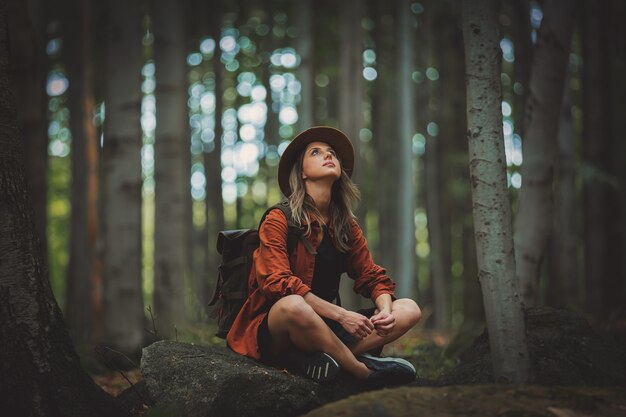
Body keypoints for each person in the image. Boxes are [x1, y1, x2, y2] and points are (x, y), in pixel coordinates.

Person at [227, 126, 422, 386]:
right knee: (293, 304)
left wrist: (385, 312)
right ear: (303, 172)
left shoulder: (346, 225)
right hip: (280, 328)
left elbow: (371, 276)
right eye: (316, 152)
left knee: (408, 309)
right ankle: (361, 371)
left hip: (323, 326)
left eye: (332, 153)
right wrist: (342, 315)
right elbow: (276, 284)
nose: (328, 155)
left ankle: (320, 360)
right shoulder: (279, 219)